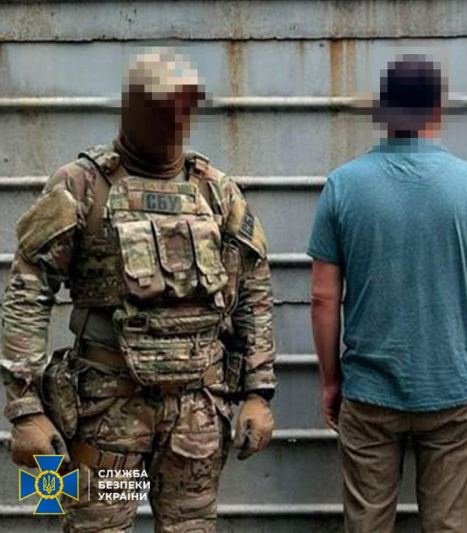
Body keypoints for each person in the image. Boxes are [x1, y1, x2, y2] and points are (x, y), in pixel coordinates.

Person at [0, 49, 277, 532]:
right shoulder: (81, 185)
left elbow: (253, 291)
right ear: (129, 109)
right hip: (107, 417)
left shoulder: (216, 191)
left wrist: (257, 393)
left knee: (191, 528)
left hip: (195, 417)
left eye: (179, 112)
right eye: (158, 110)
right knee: (99, 528)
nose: (171, 124)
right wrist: (25, 411)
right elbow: (27, 295)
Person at [308, 55, 467, 533]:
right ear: (437, 110)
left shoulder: (342, 186)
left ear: (382, 110)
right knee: (448, 525)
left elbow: (322, 299)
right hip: (453, 390)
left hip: (368, 392)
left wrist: (331, 381)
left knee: (366, 524)